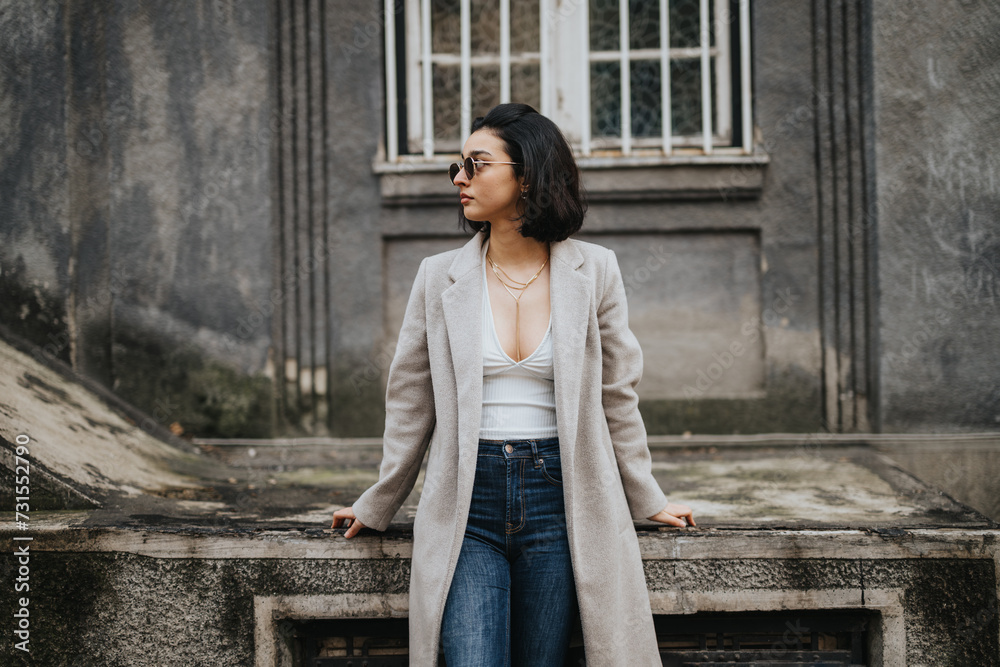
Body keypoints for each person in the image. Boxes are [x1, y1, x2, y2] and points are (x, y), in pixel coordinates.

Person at [331, 103, 695, 666]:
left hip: (561, 497)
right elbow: (410, 401)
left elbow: (617, 394)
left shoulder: (594, 271)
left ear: (526, 175)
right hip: (467, 498)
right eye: (458, 166)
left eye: (475, 165)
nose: (459, 178)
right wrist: (379, 501)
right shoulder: (438, 276)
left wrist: (648, 496)